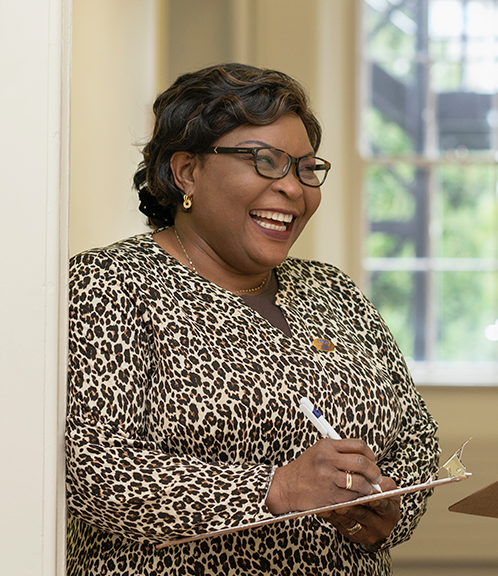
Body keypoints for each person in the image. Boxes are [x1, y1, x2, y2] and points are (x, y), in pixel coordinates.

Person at [65, 63, 440, 576]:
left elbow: (415, 437)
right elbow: (91, 468)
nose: (294, 188)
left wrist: (389, 509)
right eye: (265, 161)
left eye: (307, 169)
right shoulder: (109, 284)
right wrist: (276, 489)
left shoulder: (334, 290)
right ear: (186, 172)